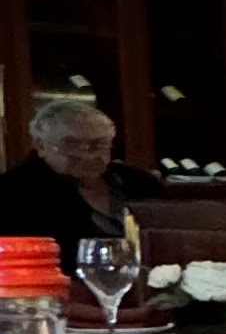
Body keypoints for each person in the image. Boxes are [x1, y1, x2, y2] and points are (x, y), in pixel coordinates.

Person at [0, 95, 159, 269]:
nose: (87, 154)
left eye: (98, 144)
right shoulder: (12, 193)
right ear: (41, 146)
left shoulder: (139, 183)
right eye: (71, 144)